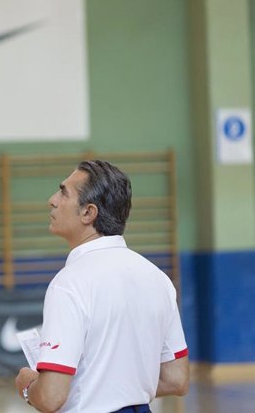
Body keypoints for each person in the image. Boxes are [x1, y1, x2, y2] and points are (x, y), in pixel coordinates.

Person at [15, 160, 189, 413]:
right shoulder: (158, 278)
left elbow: (51, 397)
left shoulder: (69, 284)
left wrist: (28, 385)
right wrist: (110, 387)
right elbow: (177, 379)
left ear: (88, 213)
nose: (52, 200)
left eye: (63, 192)